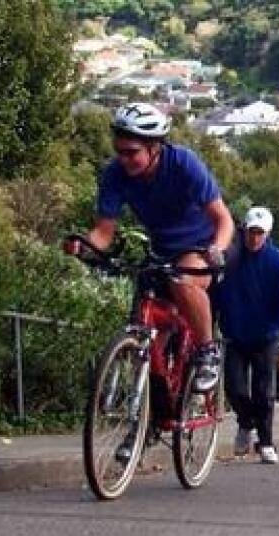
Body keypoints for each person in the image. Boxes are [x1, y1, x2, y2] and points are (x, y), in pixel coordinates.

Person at [65, 103, 234, 394]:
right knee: (146, 322)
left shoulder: (183, 163)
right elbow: (104, 233)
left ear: (154, 147)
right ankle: (152, 407)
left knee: (183, 282)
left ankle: (208, 352)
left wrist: (217, 249)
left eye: (132, 152)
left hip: (200, 247)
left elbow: (224, 219)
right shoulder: (114, 174)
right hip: (161, 251)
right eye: (120, 151)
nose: (124, 159)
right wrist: (85, 245)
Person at [212, 207, 279, 465]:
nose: (254, 238)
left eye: (260, 233)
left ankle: (266, 442)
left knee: (264, 392)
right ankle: (245, 422)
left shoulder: (277, 262)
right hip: (235, 335)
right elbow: (214, 293)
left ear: (267, 234)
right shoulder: (231, 258)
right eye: (251, 232)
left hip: (266, 336)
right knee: (234, 387)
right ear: (244, 230)